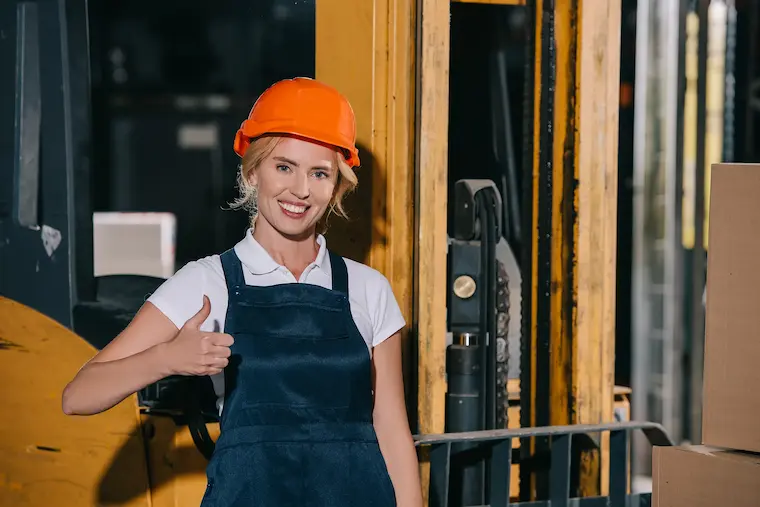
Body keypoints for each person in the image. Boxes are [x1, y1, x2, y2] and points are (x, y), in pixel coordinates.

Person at [62, 77, 423, 506]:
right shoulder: (205, 282)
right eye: (284, 167)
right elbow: (78, 395)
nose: (301, 190)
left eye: (319, 173)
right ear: (253, 172)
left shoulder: (370, 289)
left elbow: (392, 431)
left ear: (337, 185)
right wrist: (166, 358)